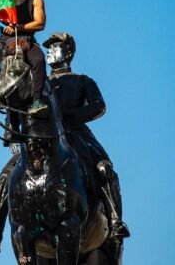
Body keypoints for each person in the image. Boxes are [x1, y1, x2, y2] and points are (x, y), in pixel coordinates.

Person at [43, 32, 130, 240]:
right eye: (48, 47)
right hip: (45, 136)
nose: (49, 51)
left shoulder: (82, 81)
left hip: (77, 132)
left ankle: (116, 220)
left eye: (55, 47)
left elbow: (98, 107)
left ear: (69, 51)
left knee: (104, 167)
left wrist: (70, 116)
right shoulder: (40, 83)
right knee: (10, 173)